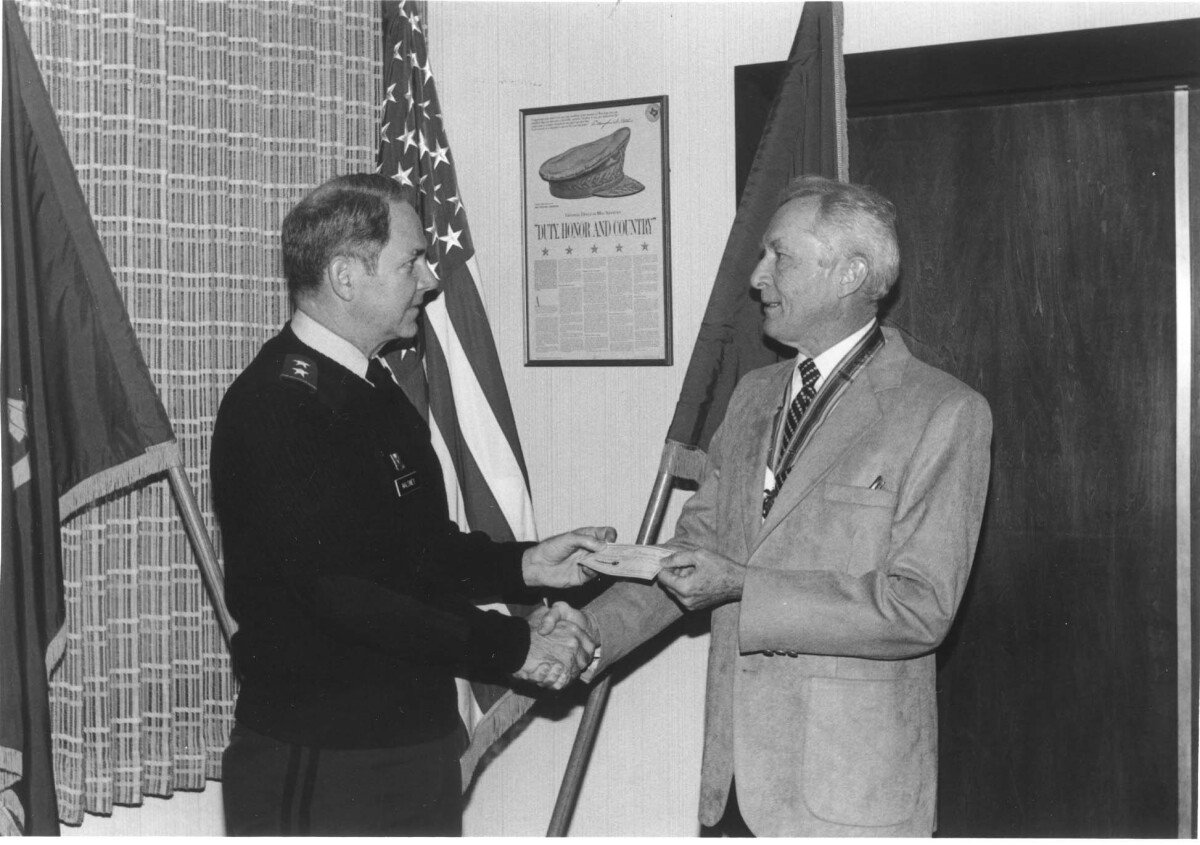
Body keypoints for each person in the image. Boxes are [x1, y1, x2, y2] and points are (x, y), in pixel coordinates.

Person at [543, 176, 993, 836]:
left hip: (847, 799)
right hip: (731, 791)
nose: (756, 278)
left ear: (852, 272)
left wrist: (746, 588)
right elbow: (689, 560)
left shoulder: (943, 413)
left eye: (779, 256)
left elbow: (918, 607)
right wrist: (585, 638)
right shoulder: (753, 396)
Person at [210, 173, 605, 836]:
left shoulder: (372, 386)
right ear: (344, 275)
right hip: (328, 759)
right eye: (410, 260)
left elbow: (418, 554)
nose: (428, 279)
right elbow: (344, 591)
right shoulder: (276, 407)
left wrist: (526, 565)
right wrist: (510, 646)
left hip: (414, 745)